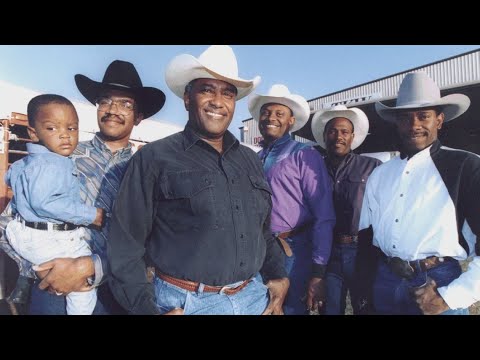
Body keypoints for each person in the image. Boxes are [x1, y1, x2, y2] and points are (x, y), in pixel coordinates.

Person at [107, 45, 289, 315]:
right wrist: (146, 310)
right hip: (187, 304)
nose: (218, 101)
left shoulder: (250, 160)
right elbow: (125, 245)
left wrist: (278, 276)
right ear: (187, 98)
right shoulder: (154, 158)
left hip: (254, 297)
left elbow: (262, 229)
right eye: (207, 89)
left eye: (227, 93)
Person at [0, 60, 166, 315]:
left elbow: (155, 241)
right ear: (97, 106)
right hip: (55, 289)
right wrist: (38, 269)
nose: (113, 109)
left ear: (139, 116)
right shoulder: (58, 156)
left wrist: (91, 267)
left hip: (120, 293)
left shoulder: (147, 171)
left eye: (126, 104)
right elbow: (8, 221)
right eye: (106, 100)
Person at [359, 71, 479, 315]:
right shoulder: (380, 174)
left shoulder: (465, 166)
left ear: (439, 120)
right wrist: (365, 293)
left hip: (438, 283)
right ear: (396, 123)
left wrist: (452, 296)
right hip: (386, 280)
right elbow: (366, 239)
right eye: (405, 117)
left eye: (424, 116)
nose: (414, 125)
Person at [5, 94, 104, 315]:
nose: (65, 136)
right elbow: (45, 203)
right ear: (33, 132)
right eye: (52, 129)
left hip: (25, 233)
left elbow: (10, 180)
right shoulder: (55, 162)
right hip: (55, 240)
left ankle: (21, 286)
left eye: (72, 129)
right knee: (84, 291)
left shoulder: (26, 162)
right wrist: (92, 215)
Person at [248, 84, 335, 315]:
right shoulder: (255, 158)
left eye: (279, 114)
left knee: (292, 309)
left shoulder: (305, 155)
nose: (271, 118)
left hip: (293, 251)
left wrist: (318, 270)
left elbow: (323, 215)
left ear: (290, 121)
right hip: (258, 249)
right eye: (266, 112)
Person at [311, 105, 381, 315]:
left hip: (363, 251)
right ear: (324, 136)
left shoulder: (373, 167)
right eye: (332, 131)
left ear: (352, 136)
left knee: (366, 308)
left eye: (344, 131)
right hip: (328, 253)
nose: (338, 136)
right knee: (329, 309)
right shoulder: (313, 169)